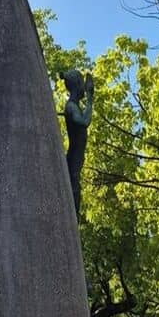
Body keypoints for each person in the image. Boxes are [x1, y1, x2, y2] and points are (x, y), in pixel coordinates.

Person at [62, 69, 94, 217]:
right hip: (74, 155)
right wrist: (90, 99)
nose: (83, 87)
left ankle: (74, 215)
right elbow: (84, 122)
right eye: (81, 83)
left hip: (77, 156)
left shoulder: (75, 106)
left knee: (75, 186)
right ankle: (73, 216)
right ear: (77, 85)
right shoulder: (71, 107)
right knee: (74, 187)